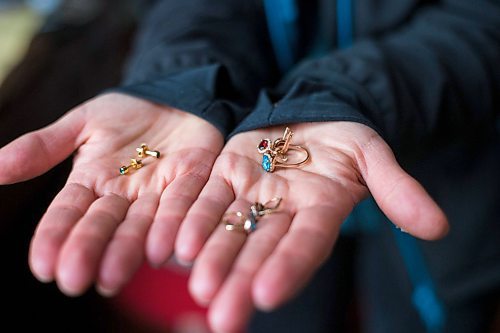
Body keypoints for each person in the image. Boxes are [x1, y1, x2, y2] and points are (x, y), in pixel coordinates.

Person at [0, 1, 499, 332]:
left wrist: (352, 93)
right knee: (268, 301)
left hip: (451, 175)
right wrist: (177, 78)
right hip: (254, 179)